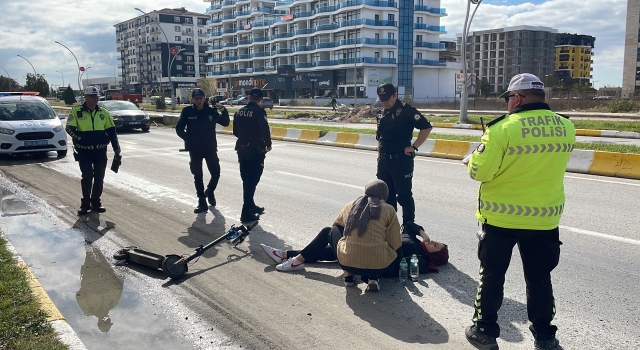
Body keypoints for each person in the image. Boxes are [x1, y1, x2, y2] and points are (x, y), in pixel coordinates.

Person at [462, 73, 576, 350]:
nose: (507, 105)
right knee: (539, 279)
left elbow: (481, 172)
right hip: (545, 219)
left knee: (491, 276)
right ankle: (546, 337)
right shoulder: (565, 127)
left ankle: (484, 331)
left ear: (517, 98)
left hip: (501, 218)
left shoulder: (502, 129)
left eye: (508, 99)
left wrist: (471, 160)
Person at [260, 179, 402, 291]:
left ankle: (298, 261)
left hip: (348, 263)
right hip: (380, 266)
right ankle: (373, 277)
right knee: (376, 244)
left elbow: (336, 224)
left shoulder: (352, 205)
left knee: (328, 231)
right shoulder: (389, 210)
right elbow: (395, 243)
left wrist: (353, 230)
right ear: (384, 193)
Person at [375, 83, 433, 226]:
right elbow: (380, 135)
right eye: (381, 99)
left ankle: (408, 228)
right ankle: (390, 228)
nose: (384, 102)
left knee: (404, 196)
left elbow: (426, 127)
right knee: (386, 198)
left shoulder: (407, 111)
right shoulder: (380, 112)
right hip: (383, 161)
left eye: (387, 99)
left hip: (400, 161)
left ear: (395, 95)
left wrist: (414, 146)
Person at [66, 86, 120, 215]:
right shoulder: (76, 111)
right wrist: (81, 138)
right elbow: (69, 128)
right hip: (84, 151)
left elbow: (112, 131)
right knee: (87, 176)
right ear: (86, 97)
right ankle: (85, 204)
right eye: (93, 97)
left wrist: (116, 147)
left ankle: (96, 202)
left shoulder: (103, 112)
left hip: (100, 151)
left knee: (99, 177)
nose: (96, 99)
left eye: (97, 97)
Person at [176, 88, 230, 213]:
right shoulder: (187, 111)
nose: (199, 101)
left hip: (210, 148)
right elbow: (179, 129)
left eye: (201, 98)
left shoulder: (211, 111)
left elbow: (226, 122)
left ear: (204, 98)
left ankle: (210, 191)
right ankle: (201, 201)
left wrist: (222, 109)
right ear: (193, 100)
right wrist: (189, 139)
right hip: (195, 149)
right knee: (198, 175)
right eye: (196, 99)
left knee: (216, 173)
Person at [233, 87, 272, 222]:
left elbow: (235, 132)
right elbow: (265, 130)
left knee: (246, 180)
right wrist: (268, 144)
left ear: (248, 98)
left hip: (241, 149)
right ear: (261, 100)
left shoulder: (239, 112)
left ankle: (251, 206)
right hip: (255, 150)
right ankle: (245, 212)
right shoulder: (259, 112)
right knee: (252, 181)